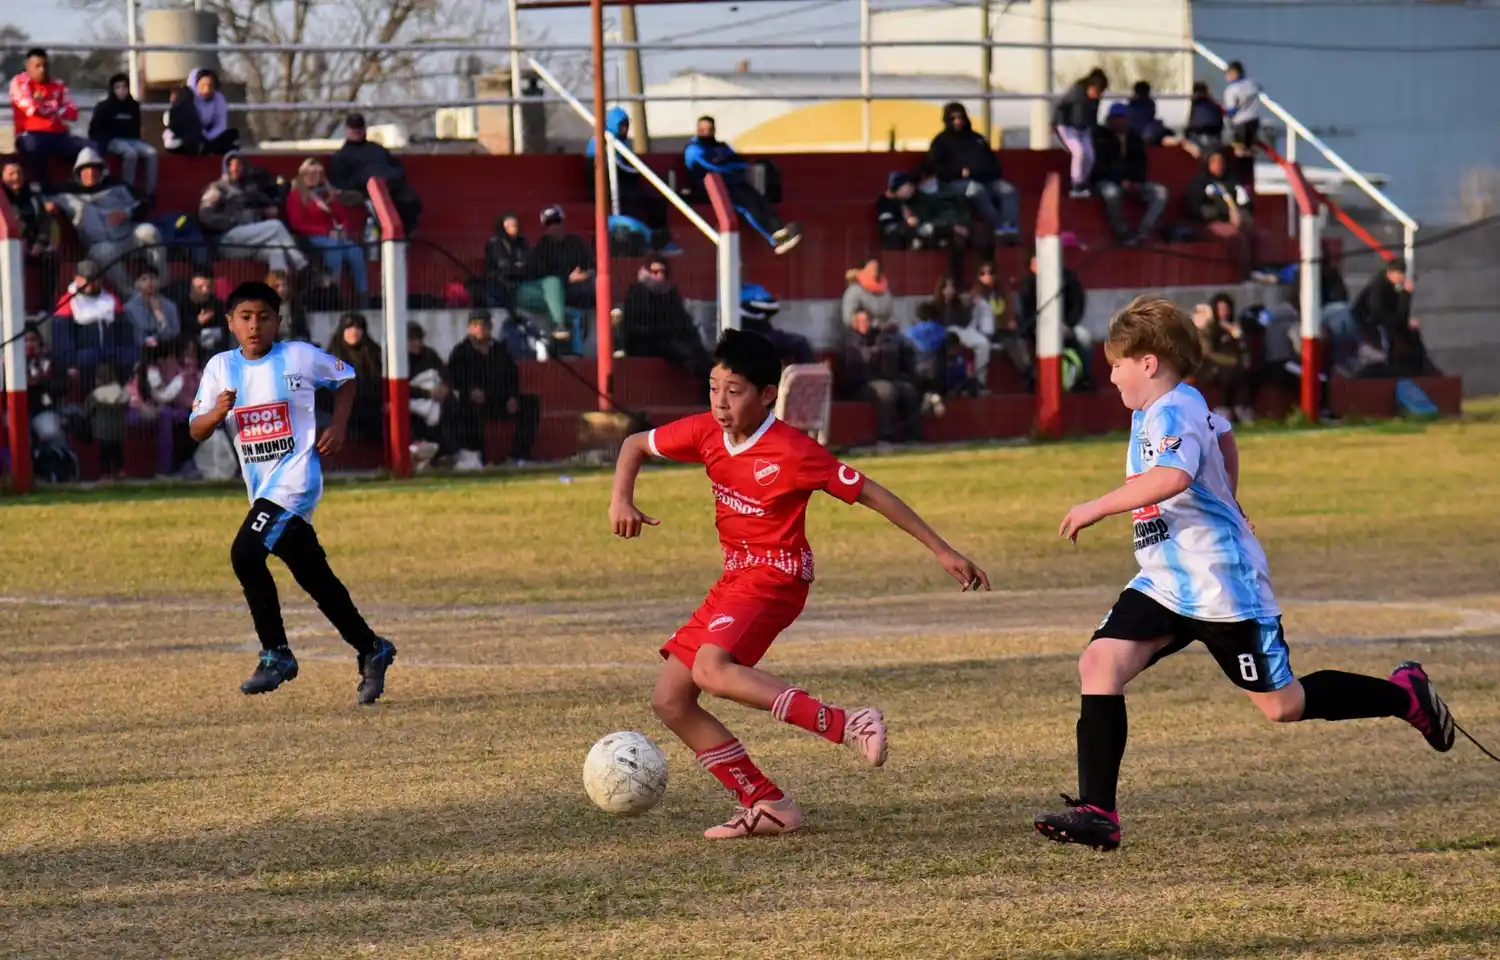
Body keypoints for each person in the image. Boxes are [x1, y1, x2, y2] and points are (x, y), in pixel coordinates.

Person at [1033, 295, 1456, 851]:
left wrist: (1097, 505)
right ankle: (1098, 812)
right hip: (1164, 579)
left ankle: (1405, 695)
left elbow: (1173, 478)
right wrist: (1229, 495)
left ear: (1149, 363)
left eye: (1117, 364)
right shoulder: (1166, 409)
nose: (1110, 375)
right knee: (1099, 663)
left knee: (1283, 705)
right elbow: (1225, 434)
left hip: (1219, 584)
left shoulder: (1173, 409)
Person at [608, 329, 989, 839]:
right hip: (734, 579)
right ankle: (767, 804)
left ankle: (849, 723)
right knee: (671, 700)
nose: (720, 403)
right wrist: (620, 500)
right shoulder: (705, 432)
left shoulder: (793, 450)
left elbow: (872, 493)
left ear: (767, 394)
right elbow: (634, 444)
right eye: (714, 387)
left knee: (712, 669)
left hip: (776, 577)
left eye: (734, 390)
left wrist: (941, 549)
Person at [188, 280, 397, 703]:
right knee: (316, 579)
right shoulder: (220, 368)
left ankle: (276, 654)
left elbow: (347, 378)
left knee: (245, 553)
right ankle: (372, 648)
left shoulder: (298, 356)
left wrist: (337, 425)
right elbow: (195, 429)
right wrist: (217, 412)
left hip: (296, 481)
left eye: (264, 317)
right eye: (245, 317)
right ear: (230, 323)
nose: (254, 326)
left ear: (278, 321)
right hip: (262, 488)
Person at [48, 146, 165, 293]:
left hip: (127, 237)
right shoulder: (65, 193)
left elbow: (145, 203)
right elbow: (39, 195)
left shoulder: (118, 186)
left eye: (94, 169)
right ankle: (131, 294)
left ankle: (161, 282)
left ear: (101, 171)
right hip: (99, 244)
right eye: (86, 170)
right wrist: (48, 204)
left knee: (149, 231)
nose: (90, 173)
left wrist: (127, 213)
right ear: (78, 173)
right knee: (103, 251)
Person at [684, 116, 802, 255]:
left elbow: (738, 161)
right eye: (702, 129)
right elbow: (711, 167)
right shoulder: (693, 149)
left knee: (760, 200)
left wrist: (736, 168)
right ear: (697, 130)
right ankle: (773, 239)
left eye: (709, 130)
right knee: (747, 206)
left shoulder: (721, 146)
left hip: (734, 182)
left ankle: (779, 230)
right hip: (713, 188)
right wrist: (732, 168)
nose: (706, 133)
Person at [447, 310, 540, 468]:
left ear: (490, 327)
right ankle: (480, 458)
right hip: (473, 401)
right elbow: (453, 379)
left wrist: (513, 396)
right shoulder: (461, 352)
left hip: (500, 399)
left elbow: (512, 375)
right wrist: (469, 392)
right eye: (476, 325)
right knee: (468, 411)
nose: (480, 329)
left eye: (484, 325)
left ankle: (519, 453)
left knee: (531, 403)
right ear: (470, 328)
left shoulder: (500, 349)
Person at [586, 106, 680, 256]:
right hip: (605, 187)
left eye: (626, 126)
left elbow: (629, 168)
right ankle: (638, 242)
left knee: (656, 200)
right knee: (630, 200)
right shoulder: (600, 141)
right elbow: (615, 167)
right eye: (621, 126)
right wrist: (644, 171)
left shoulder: (623, 143)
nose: (624, 129)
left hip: (624, 183)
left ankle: (662, 241)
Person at [199, 151, 308, 275]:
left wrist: (266, 210)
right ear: (226, 167)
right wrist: (230, 221)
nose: (236, 169)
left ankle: (277, 288)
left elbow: (263, 204)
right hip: (228, 239)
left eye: (240, 165)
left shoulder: (249, 189)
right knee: (276, 226)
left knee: (276, 248)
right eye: (233, 165)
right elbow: (205, 215)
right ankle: (302, 265)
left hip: (250, 239)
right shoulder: (217, 188)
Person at [927, 102, 1019, 241]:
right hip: (956, 183)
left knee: (1008, 190)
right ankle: (999, 226)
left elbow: (994, 163)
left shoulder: (977, 139)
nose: (958, 121)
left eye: (960, 117)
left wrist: (983, 171)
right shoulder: (940, 142)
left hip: (986, 178)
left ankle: (1010, 226)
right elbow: (938, 169)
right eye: (953, 118)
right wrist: (959, 172)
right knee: (976, 190)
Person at [285, 157, 368, 303]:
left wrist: (343, 229)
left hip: (333, 234)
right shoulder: (296, 195)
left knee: (356, 251)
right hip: (311, 235)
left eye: (317, 173)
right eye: (309, 173)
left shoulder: (328, 194)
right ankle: (333, 293)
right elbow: (297, 223)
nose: (313, 177)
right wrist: (325, 232)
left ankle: (363, 295)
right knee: (333, 249)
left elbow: (342, 217)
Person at [620, 258, 711, 389]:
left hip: (668, 338)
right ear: (646, 272)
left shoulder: (670, 292)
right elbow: (636, 325)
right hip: (644, 342)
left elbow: (682, 319)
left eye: (663, 271)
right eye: (655, 271)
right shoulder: (637, 292)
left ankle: (710, 384)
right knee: (684, 350)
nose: (660, 275)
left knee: (696, 347)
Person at [837, 306, 922, 444]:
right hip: (858, 386)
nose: (866, 324)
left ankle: (913, 436)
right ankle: (886, 436)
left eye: (868, 320)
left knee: (908, 390)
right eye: (862, 321)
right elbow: (865, 357)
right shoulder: (849, 340)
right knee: (885, 391)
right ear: (854, 323)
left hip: (880, 379)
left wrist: (882, 345)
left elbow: (891, 348)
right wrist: (878, 351)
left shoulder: (878, 335)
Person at [329, 113, 421, 233]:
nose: (356, 131)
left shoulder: (377, 148)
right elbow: (339, 182)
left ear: (365, 129)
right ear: (347, 130)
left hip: (392, 187)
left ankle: (405, 235)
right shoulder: (341, 156)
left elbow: (397, 167)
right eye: (353, 128)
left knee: (410, 201)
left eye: (359, 127)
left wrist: (394, 177)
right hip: (368, 192)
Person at [1092, 103, 1168, 246]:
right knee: (1111, 194)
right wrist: (1120, 180)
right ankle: (1123, 232)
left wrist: (1135, 181)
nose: (1119, 121)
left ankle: (1143, 231)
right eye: (1116, 118)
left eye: (1122, 118)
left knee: (1160, 192)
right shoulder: (1101, 138)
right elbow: (1101, 165)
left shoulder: (1134, 138)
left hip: (1132, 181)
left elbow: (1141, 163)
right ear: (1110, 120)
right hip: (1107, 180)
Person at [8, 48, 87, 186]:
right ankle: (43, 190)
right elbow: (31, 108)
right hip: (30, 135)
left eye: (45, 65)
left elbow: (73, 113)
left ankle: (83, 187)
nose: (42, 70)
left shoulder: (58, 84)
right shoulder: (19, 82)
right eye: (37, 66)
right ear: (28, 67)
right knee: (35, 146)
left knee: (89, 147)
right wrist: (56, 107)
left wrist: (50, 107)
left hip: (57, 134)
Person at [1352, 259, 1435, 377]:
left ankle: (1420, 368)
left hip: (1386, 322)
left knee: (1412, 335)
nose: (1402, 279)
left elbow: (1401, 315)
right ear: (1391, 273)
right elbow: (1377, 313)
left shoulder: (1396, 288)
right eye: (1400, 275)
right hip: (1369, 325)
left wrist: (1405, 295)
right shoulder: (1378, 286)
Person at [2, 155, 60, 308]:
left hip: (32, 245)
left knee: (50, 257)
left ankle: (46, 306)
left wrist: (39, 243)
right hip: (7, 246)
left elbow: (44, 222)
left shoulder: (33, 196)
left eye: (19, 173)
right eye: (11, 174)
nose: (16, 177)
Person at [88, 73, 158, 195]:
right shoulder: (103, 107)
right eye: (118, 87)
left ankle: (150, 193)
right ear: (112, 89)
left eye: (124, 87)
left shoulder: (133, 106)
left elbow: (137, 128)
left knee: (152, 153)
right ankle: (127, 191)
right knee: (130, 154)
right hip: (112, 141)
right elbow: (94, 130)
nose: (122, 91)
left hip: (133, 140)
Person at [325, 313, 385, 443]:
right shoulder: (333, 354)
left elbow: (380, 380)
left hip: (373, 404)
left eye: (359, 328)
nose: (355, 332)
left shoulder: (373, 352)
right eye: (349, 327)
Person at [1053, 69, 1107, 197]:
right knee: (1078, 152)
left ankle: (1083, 182)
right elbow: (1061, 107)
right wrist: (1054, 123)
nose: (1096, 95)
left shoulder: (1095, 99)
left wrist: (1094, 130)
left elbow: (1093, 116)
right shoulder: (1075, 93)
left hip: (1084, 128)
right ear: (1089, 87)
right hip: (1067, 126)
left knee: (1090, 156)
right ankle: (1076, 184)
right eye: (1095, 91)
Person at [164, 68, 240, 156]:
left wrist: (207, 137)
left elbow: (220, 125)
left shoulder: (218, 98)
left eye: (210, 85)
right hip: (185, 137)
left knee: (232, 135)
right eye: (203, 85)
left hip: (206, 136)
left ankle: (205, 149)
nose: (207, 89)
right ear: (196, 85)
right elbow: (172, 119)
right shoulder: (186, 96)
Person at [405, 320, 449, 467]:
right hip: (412, 401)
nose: (416, 343)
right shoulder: (396, 357)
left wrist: (443, 387)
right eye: (412, 339)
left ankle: (444, 453)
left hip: (435, 399)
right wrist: (427, 394)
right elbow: (401, 387)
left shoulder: (429, 354)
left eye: (419, 339)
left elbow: (444, 374)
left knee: (449, 406)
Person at [86, 361, 130, 480]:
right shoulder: (121, 393)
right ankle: (119, 470)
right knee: (117, 451)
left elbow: (88, 410)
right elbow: (126, 407)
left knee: (104, 453)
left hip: (102, 431)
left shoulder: (95, 395)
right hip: (118, 431)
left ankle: (105, 474)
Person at [122, 266, 180, 351]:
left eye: (152, 278)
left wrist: (158, 313)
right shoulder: (129, 308)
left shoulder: (171, 306)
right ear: (137, 283)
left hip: (166, 351)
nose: (149, 283)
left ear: (159, 282)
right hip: (139, 352)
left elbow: (174, 335)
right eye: (144, 279)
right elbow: (133, 337)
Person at [841, 257, 895, 330]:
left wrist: (891, 324)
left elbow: (891, 314)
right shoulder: (854, 291)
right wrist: (862, 322)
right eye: (870, 269)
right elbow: (848, 318)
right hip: (862, 334)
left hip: (884, 331)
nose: (874, 272)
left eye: (876, 269)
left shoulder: (886, 292)